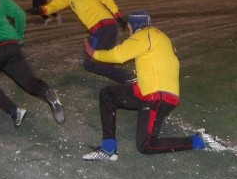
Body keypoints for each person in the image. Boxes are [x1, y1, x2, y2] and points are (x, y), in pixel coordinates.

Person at [81, 10, 226, 160]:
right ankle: (108, 148)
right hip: (150, 91)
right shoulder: (161, 37)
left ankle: (199, 141)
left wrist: (94, 54)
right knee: (108, 94)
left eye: (129, 27)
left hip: (157, 96)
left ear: (135, 25)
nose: (128, 31)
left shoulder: (144, 35)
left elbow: (119, 55)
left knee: (146, 145)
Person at [29, 0, 134, 84]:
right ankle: (128, 77)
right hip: (96, 31)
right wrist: (42, 10)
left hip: (105, 27)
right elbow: (55, 5)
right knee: (100, 60)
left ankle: (127, 78)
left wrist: (118, 16)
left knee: (91, 63)